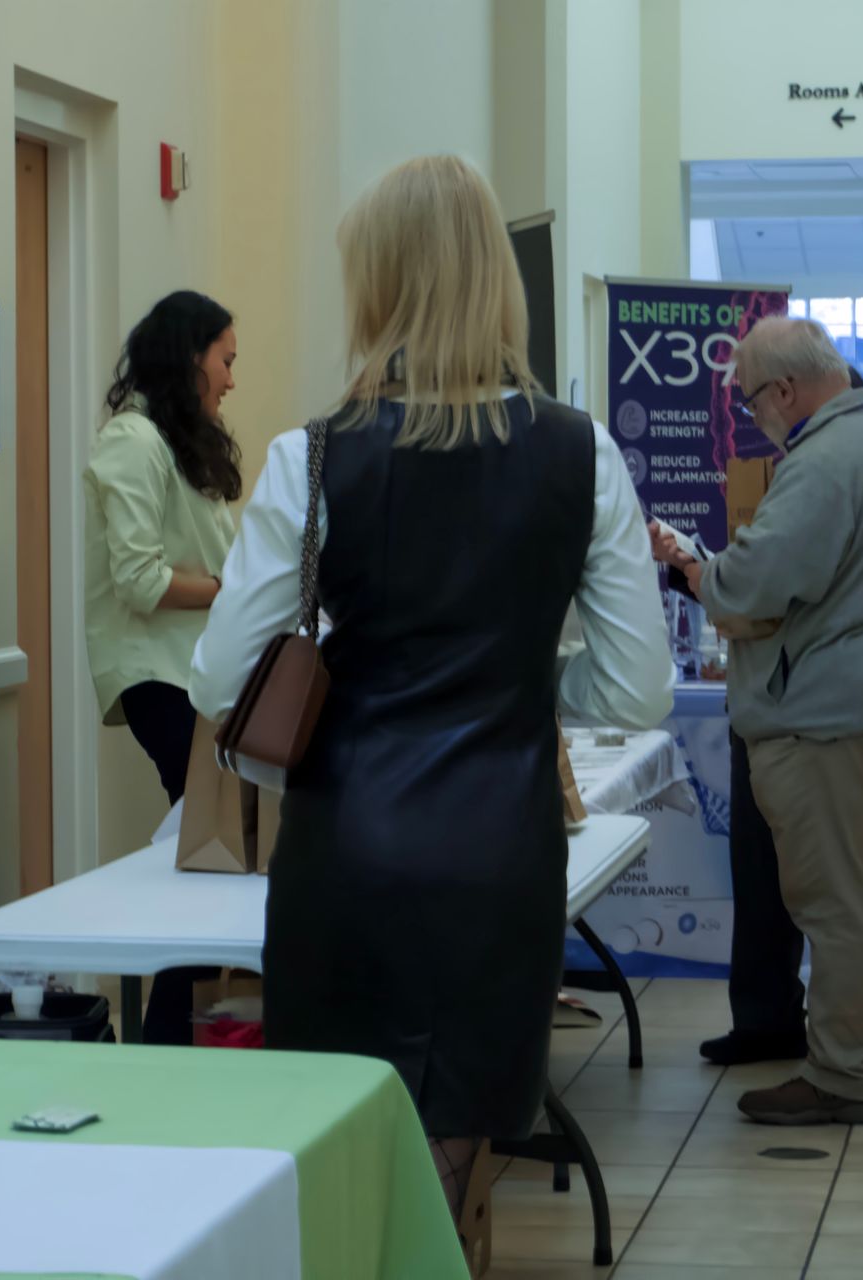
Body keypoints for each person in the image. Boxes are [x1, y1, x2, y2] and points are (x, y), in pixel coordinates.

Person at [190, 155, 675, 1240]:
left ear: (382, 287)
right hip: (499, 856)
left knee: (344, 1173)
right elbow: (637, 687)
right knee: (446, 1182)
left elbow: (221, 680)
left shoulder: (310, 456)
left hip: (344, 854)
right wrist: (524, 678)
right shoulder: (578, 451)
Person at [656, 318, 863, 1125]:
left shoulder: (821, 465)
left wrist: (697, 568)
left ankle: (843, 1073)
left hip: (823, 713)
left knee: (831, 901)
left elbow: (750, 590)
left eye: (751, 404)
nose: (755, 420)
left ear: (785, 391)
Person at [84, 289, 242, 1045]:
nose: (232, 379)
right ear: (191, 358)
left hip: (197, 674)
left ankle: (177, 1033)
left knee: (210, 850)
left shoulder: (182, 443)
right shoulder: (131, 440)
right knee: (210, 845)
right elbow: (141, 582)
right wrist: (231, 591)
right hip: (156, 677)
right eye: (226, 361)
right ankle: (164, 1038)